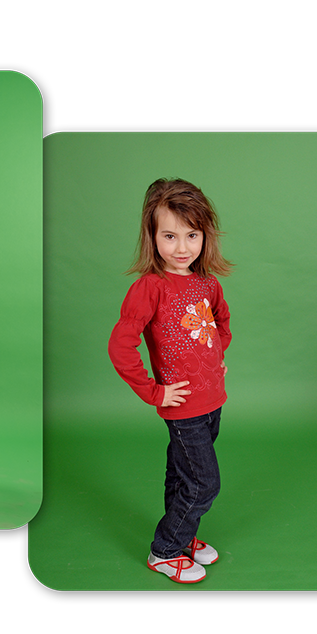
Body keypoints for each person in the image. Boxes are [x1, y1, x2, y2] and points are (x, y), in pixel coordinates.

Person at [107, 178, 232, 583]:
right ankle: (164, 550)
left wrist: (215, 359)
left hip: (213, 401)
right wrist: (154, 390)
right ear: (152, 236)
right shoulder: (150, 288)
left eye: (192, 235)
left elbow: (219, 325)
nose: (182, 247)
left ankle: (183, 533)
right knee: (204, 483)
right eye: (170, 235)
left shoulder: (207, 282)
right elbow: (121, 347)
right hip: (183, 409)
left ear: (205, 235)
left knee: (182, 473)